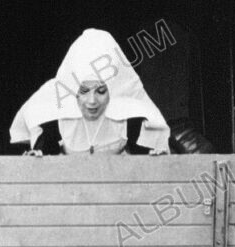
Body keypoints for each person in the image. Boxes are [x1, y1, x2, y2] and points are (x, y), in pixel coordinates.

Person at [9, 29, 170, 155]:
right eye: (84, 91)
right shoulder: (53, 119)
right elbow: (42, 161)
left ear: (112, 91)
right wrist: (36, 160)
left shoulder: (133, 118)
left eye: (101, 91)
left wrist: (155, 155)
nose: (92, 101)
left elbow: (147, 162)